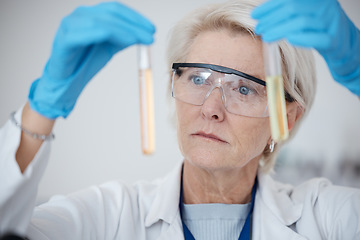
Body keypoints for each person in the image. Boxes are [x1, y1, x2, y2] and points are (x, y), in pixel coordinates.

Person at [0, 0, 359, 239]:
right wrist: (42, 107)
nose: (210, 108)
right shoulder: (109, 216)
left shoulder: (326, 219)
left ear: (287, 119)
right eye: (197, 79)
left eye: (244, 89)